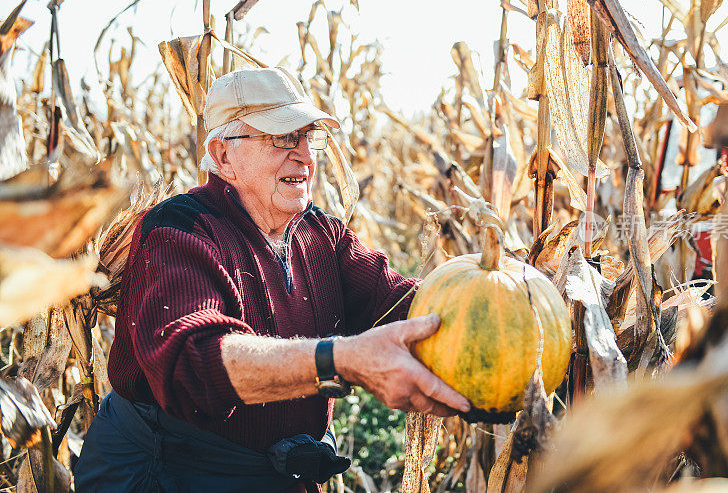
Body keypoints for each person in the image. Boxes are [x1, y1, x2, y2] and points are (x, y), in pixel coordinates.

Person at [73, 67, 470, 492]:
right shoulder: (178, 229)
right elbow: (193, 368)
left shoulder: (322, 235)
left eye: (307, 137)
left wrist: (490, 299)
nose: (304, 155)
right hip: (167, 475)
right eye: (282, 138)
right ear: (223, 155)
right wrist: (339, 360)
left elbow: (396, 304)